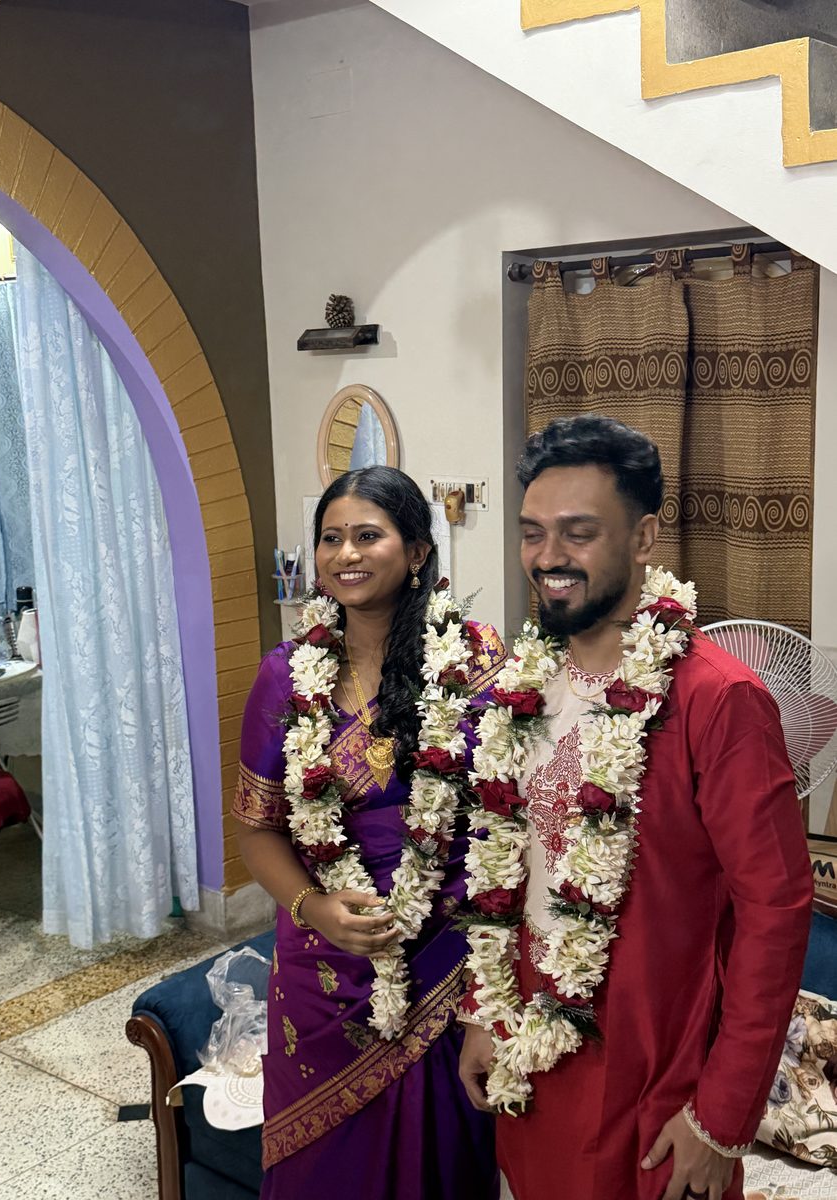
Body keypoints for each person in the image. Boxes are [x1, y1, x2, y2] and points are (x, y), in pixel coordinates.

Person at [459, 415, 813, 1200]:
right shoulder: (519, 688)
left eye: (578, 533)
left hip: (654, 1079)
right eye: (532, 532)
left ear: (645, 537)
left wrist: (721, 1117)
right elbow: (508, 877)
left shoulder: (719, 700)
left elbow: (778, 910)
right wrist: (486, 1013)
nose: (548, 557)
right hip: (533, 1059)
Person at [233, 465, 504, 1199]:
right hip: (325, 970)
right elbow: (258, 831)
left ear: (416, 552)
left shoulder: (476, 663)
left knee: (445, 1159)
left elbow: (511, 821)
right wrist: (313, 907)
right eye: (329, 538)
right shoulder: (284, 675)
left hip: (450, 958)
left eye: (367, 535)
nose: (344, 554)